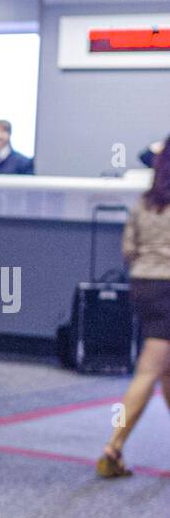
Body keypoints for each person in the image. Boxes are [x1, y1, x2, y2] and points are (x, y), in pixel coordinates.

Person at [97, 135, 170, 477]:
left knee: (165, 370)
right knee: (149, 372)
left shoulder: (145, 202)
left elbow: (129, 249)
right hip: (169, 289)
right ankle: (113, 446)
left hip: (144, 285)